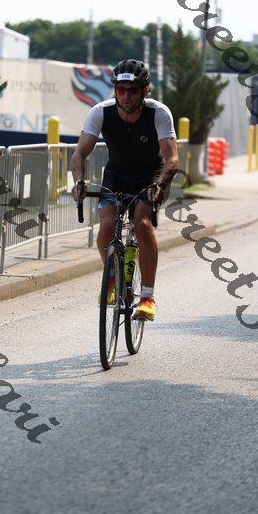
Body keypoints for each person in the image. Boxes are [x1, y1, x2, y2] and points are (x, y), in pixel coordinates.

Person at [71, 59, 178, 321]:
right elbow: (80, 153)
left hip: (149, 177)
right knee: (107, 226)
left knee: (142, 223)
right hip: (116, 175)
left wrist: (160, 186)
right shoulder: (100, 112)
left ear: (145, 91)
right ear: (115, 90)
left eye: (133, 90)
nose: (126, 95)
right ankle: (111, 279)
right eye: (121, 89)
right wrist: (79, 182)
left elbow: (172, 159)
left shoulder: (159, 113)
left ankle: (147, 298)